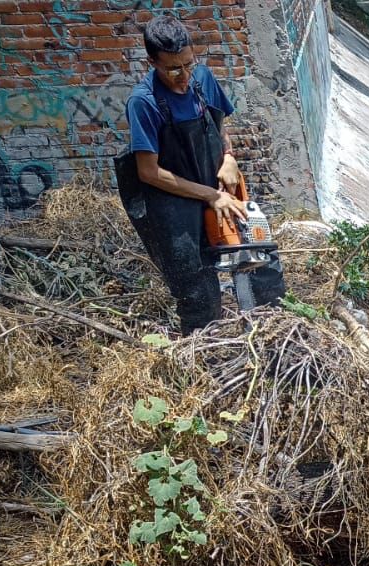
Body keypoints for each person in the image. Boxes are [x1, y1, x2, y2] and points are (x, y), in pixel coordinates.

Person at [120, 14, 281, 334]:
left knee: (261, 258)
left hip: (218, 188)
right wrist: (210, 195)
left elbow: (221, 126)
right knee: (196, 288)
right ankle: (204, 355)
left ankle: (271, 333)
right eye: (173, 69)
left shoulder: (203, 79)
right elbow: (148, 173)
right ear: (152, 62)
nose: (183, 76)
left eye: (188, 64)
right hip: (174, 204)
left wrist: (229, 157)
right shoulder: (144, 103)